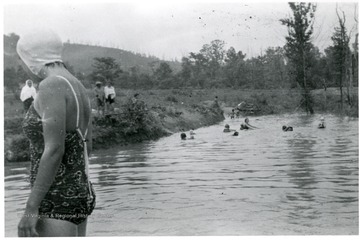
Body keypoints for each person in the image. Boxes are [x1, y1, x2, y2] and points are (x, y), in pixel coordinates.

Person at [16, 30, 95, 237]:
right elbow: (89, 146)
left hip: (55, 198)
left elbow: (54, 150)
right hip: (79, 193)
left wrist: (31, 208)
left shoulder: (51, 84)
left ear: (31, 56)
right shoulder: (77, 85)